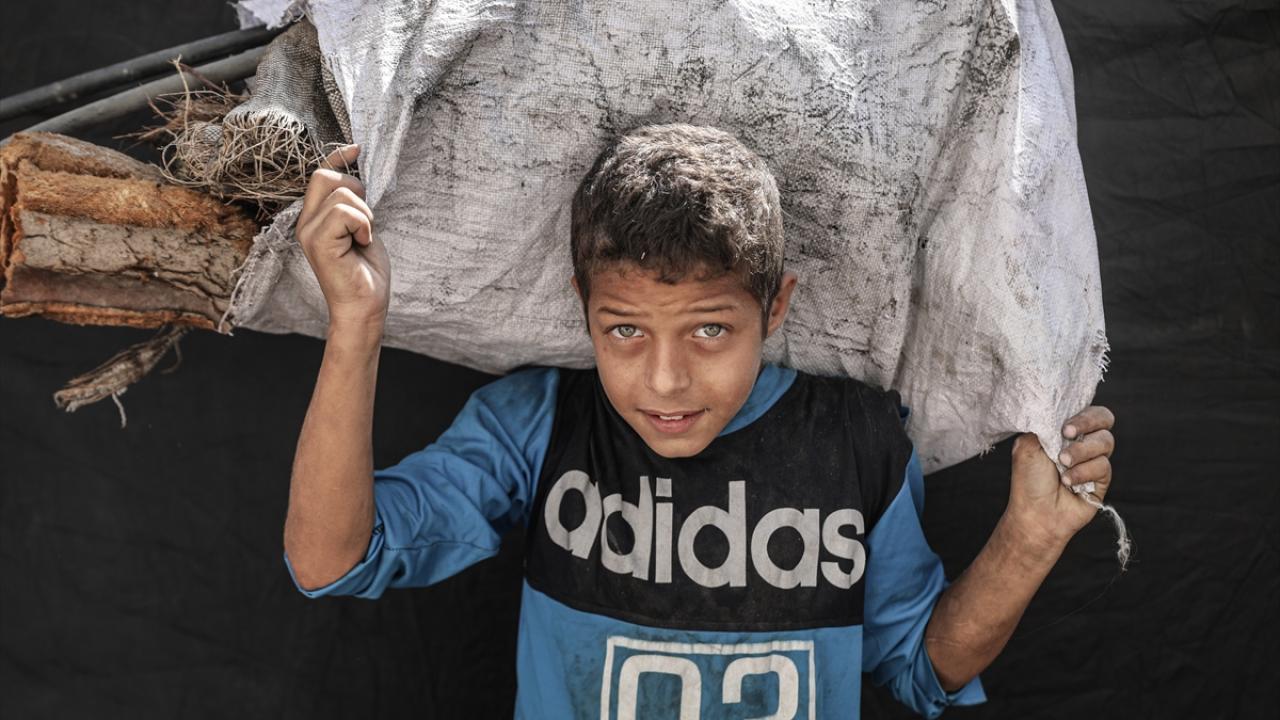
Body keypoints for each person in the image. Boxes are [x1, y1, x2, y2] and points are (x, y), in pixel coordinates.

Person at [282, 124, 1117, 719]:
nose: (666, 379)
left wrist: (1028, 540)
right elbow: (331, 562)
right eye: (625, 331)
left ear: (776, 306)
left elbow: (921, 669)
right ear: (582, 307)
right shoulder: (540, 425)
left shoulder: (857, 441)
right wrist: (355, 322)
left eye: (710, 330)